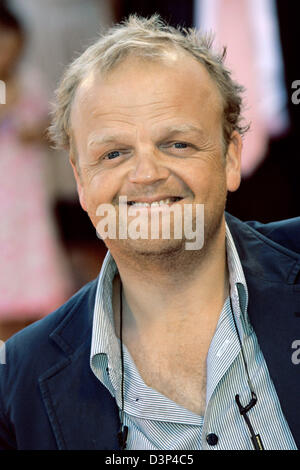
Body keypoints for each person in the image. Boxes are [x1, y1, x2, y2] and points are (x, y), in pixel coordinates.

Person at [0, 14, 299, 451]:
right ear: (80, 181)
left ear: (232, 157)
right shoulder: (18, 381)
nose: (146, 174)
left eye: (177, 144)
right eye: (114, 153)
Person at [0, 0, 72, 341]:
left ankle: (31, 315)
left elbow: (52, 127)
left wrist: (38, 130)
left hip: (26, 189)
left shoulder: (30, 78)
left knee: (32, 243)